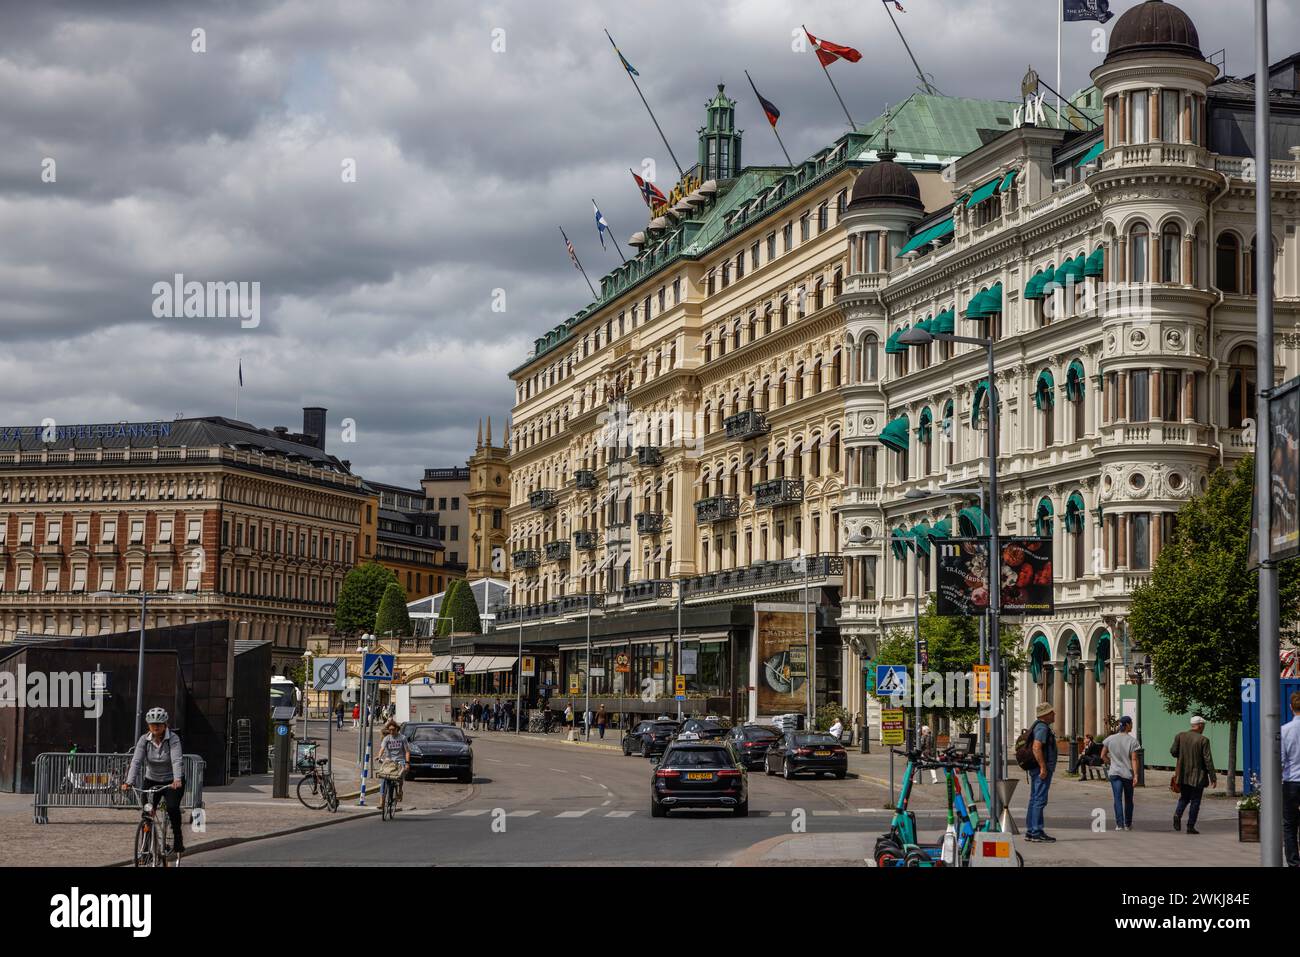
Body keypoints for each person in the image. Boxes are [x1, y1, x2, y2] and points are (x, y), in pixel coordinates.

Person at [122, 707, 186, 857]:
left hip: (171, 781)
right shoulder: (144, 740)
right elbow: (136, 761)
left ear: (165, 724)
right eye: (152, 724)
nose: (156, 726)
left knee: (172, 808)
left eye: (159, 723)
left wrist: (177, 779)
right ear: (148, 725)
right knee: (147, 813)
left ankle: (178, 838)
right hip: (151, 780)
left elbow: (177, 760)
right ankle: (146, 849)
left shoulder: (173, 739)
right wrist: (129, 782)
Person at [1170, 716, 1217, 834]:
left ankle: (1177, 814)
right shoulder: (1203, 740)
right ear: (1200, 725)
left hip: (1183, 774)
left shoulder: (1180, 736)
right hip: (1198, 776)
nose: (1204, 728)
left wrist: (1182, 756)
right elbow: (1208, 760)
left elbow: (1173, 751)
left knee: (1184, 797)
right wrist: (1213, 777)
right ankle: (1190, 826)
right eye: (1203, 726)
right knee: (1195, 800)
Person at [1025, 703, 1058, 843]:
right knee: (1039, 800)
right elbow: (1036, 747)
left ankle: (1031, 831)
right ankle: (1036, 831)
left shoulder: (1038, 726)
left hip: (1036, 769)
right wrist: (1043, 767)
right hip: (1040, 769)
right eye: (1051, 712)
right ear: (1045, 715)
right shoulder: (1042, 728)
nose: (1054, 714)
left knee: (1034, 799)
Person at [1100, 716, 1141, 831]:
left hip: (1114, 772)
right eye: (1131, 723)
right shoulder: (1132, 741)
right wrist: (1136, 775)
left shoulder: (1110, 739)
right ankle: (1128, 824)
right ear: (1127, 725)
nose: (1132, 725)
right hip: (1127, 774)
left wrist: (1111, 763)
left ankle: (1119, 824)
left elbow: (1102, 756)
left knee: (1117, 799)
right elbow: (1134, 759)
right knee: (1128, 800)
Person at [1282, 690, 1300, 867]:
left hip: (1292, 782)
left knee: (1290, 825)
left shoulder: (1285, 730)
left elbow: (1280, 759)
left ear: (1290, 707)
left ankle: (1293, 862)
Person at [377, 720, 408, 805]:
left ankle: (399, 790)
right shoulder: (387, 738)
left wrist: (407, 763)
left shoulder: (402, 738)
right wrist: (379, 756)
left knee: (400, 776)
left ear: (397, 729)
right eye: (390, 730)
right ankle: (382, 801)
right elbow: (382, 749)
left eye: (393, 729)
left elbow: (407, 751)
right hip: (389, 760)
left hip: (400, 760)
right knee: (383, 778)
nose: (391, 731)